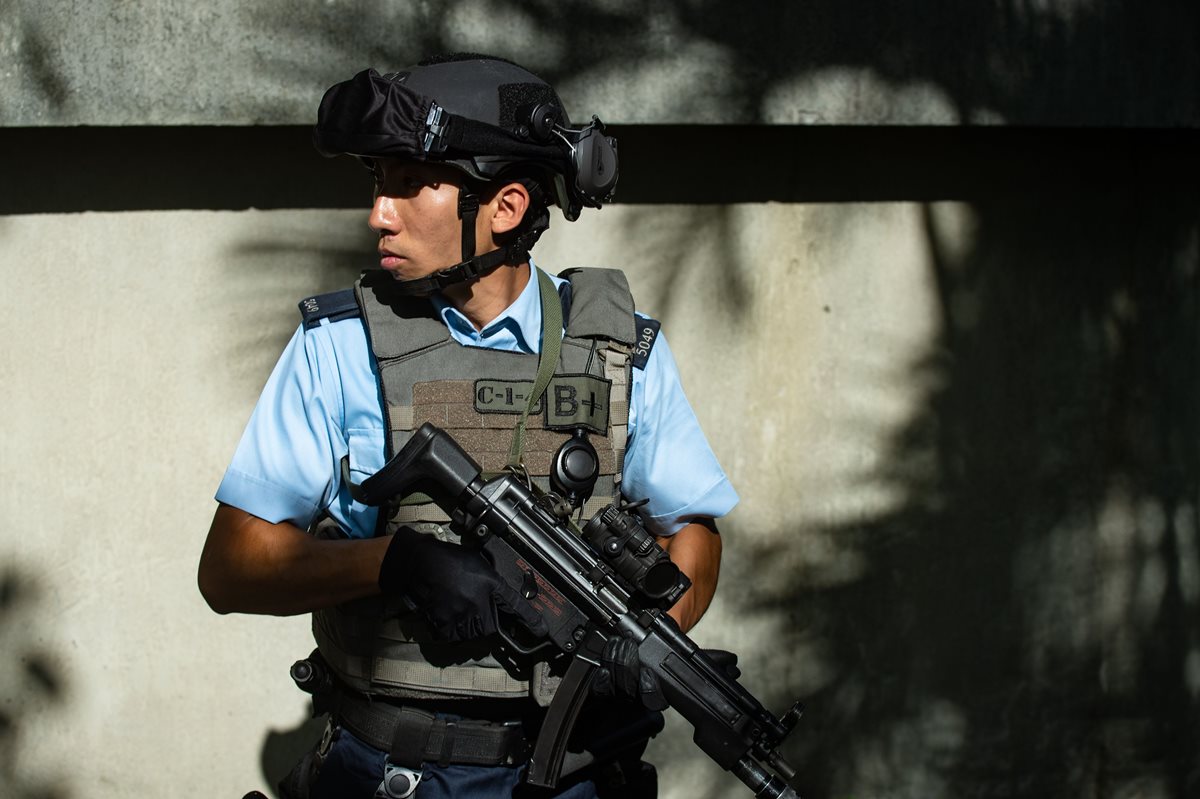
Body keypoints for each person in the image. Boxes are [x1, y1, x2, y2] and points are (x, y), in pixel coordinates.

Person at [198, 53, 738, 799]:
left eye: (405, 184)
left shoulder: (619, 352)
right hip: (394, 774)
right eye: (375, 182)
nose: (377, 213)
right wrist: (395, 562)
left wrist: (636, 649)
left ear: (506, 207)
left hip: (579, 774)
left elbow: (696, 536)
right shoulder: (344, 345)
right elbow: (231, 565)